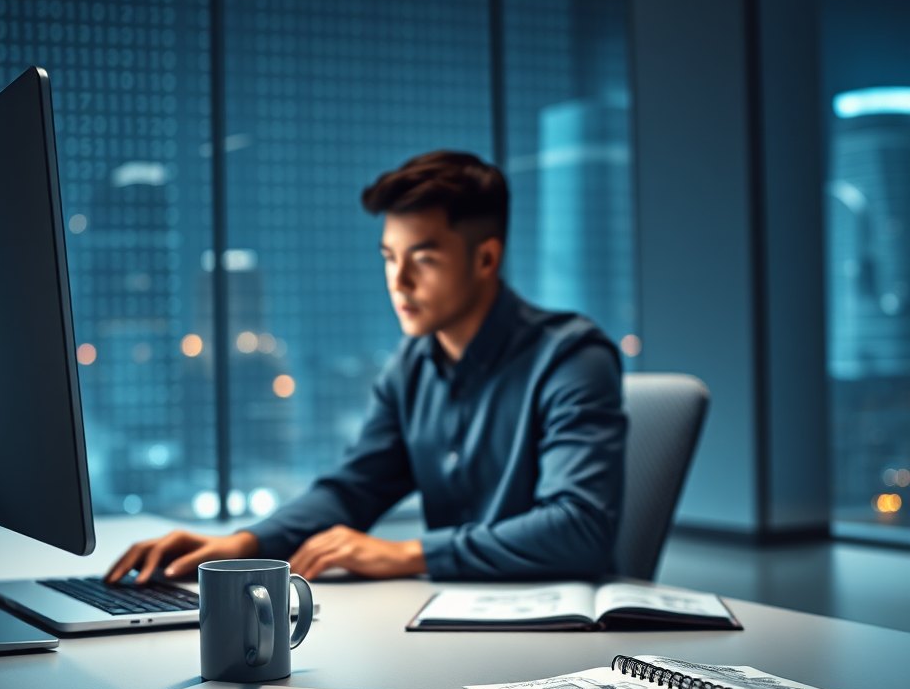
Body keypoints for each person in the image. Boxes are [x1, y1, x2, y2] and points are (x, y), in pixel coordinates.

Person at [106, 150, 626, 585]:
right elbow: (354, 489)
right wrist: (245, 543)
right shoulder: (413, 365)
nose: (398, 281)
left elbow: (577, 528)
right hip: (452, 615)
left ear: (486, 259)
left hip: (564, 630)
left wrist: (404, 555)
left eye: (422, 258)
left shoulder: (570, 357)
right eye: (388, 257)